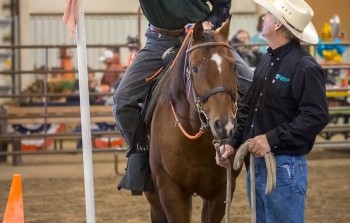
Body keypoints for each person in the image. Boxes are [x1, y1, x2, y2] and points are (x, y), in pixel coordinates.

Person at [113, 0, 254, 193]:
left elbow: (222, 4)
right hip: (160, 40)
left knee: (253, 86)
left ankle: (250, 151)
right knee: (122, 100)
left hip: (203, 38)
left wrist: (210, 22)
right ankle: (141, 155)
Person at [216, 0, 329, 222]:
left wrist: (271, 139)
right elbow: (248, 107)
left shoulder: (305, 67)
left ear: (278, 24)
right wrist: (232, 142)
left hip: (284, 166)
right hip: (258, 164)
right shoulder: (267, 59)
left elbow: (316, 116)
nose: (264, 18)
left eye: (268, 14)